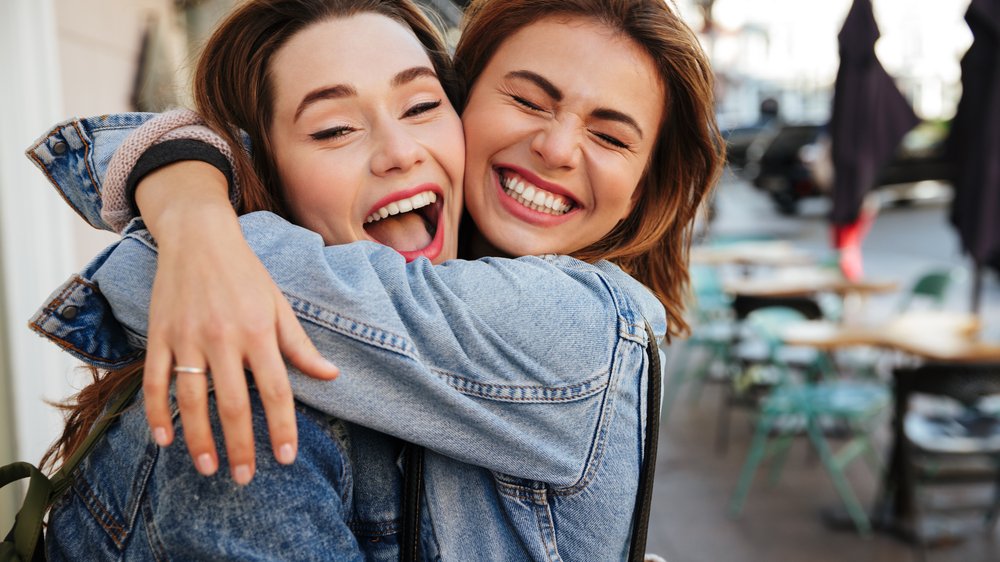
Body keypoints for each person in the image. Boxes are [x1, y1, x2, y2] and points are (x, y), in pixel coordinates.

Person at [30, 0, 723, 559]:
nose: (558, 146)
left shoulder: (585, 326)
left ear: (642, 188)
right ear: (467, 102)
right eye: (530, 101)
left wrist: (193, 225)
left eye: (612, 136)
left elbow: (147, 270)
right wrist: (193, 186)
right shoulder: (244, 421)